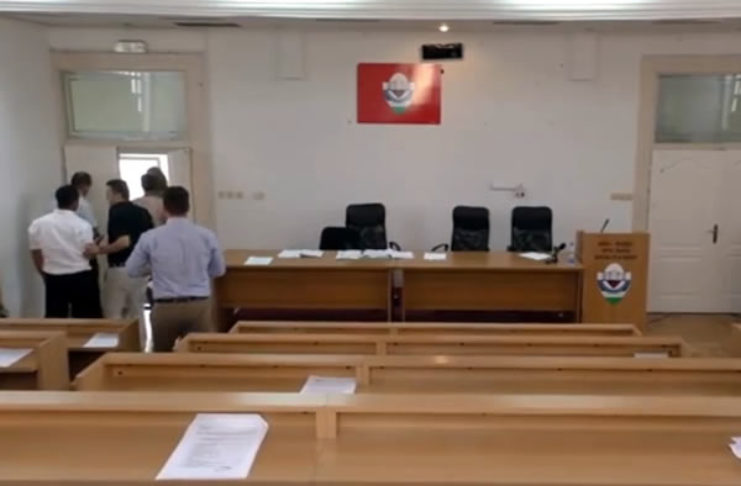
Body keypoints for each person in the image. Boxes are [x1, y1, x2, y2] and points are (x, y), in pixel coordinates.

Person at [126, 186, 225, 351]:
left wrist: (154, 268)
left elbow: (132, 269)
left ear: (164, 208)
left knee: (163, 357)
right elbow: (219, 270)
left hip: (165, 306)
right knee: (201, 356)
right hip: (199, 305)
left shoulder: (150, 237)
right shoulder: (207, 235)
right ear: (188, 207)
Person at [29, 185, 102, 318]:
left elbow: (36, 253)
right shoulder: (83, 225)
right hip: (81, 276)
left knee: (56, 319)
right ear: (76, 203)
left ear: (57, 201)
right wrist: (97, 248)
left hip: (54, 276)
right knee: (84, 319)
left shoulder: (38, 224)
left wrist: (44, 273)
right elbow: (89, 254)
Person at [97, 180, 153, 348]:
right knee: (136, 313)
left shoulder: (116, 211)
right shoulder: (143, 212)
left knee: (113, 312)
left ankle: (115, 351)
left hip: (121, 268)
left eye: (108, 194)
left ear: (116, 193)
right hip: (142, 269)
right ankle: (140, 348)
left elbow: (123, 242)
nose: (107, 198)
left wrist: (99, 250)